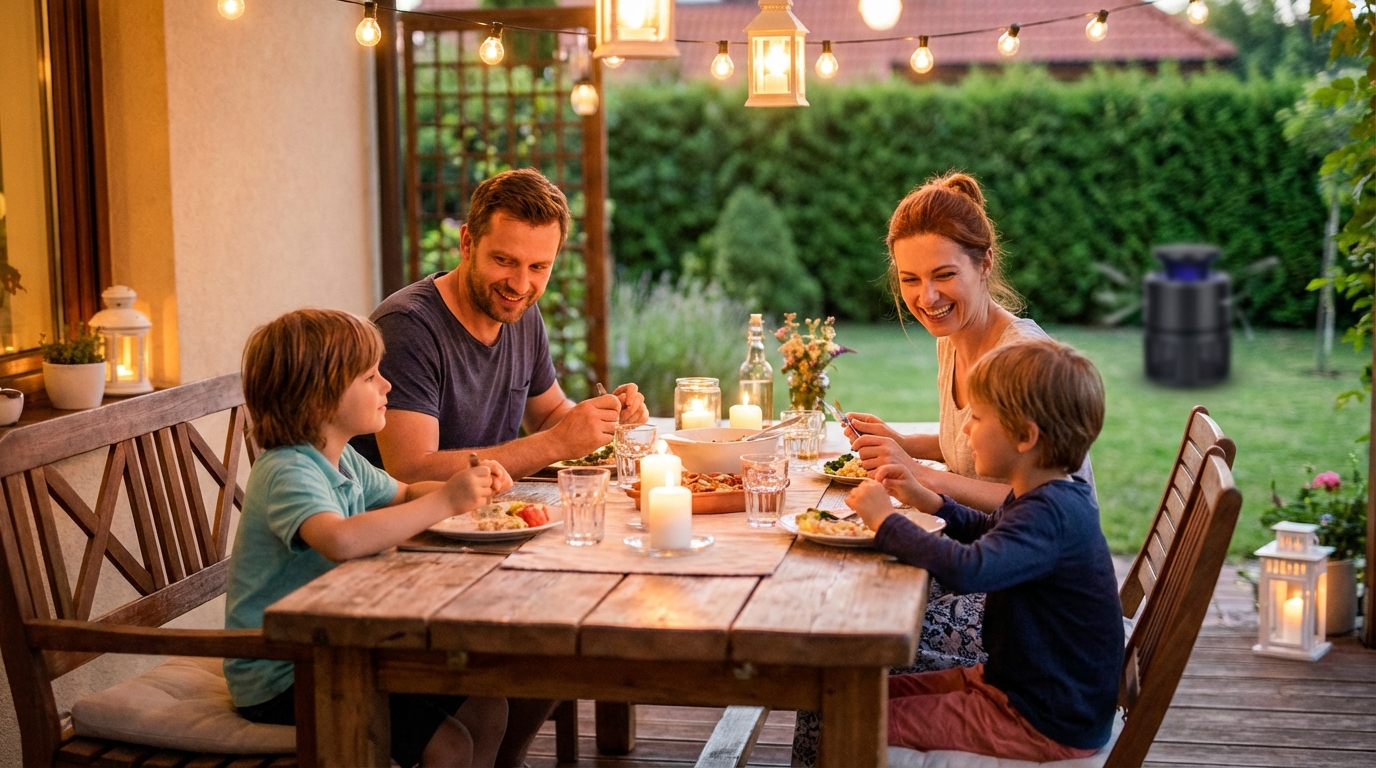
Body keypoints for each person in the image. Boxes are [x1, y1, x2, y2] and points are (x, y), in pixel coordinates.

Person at [226, 308, 513, 767]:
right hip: (284, 672)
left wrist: (472, 490)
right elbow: (338, 539)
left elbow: (403, 494)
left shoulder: (341, 458)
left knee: (488, 706)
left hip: (338, 647)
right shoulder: (287, 469)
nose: (387, 386)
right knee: (450, 746)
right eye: (371, 376)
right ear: (319, 398)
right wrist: (444, 503)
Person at [846, 339, 1122, 760]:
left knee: (855, 719)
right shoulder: (1046, 494)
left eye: (975, 418)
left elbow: (967, 569)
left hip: (1040, 717)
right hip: (1018, 686)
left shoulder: (1050, 515)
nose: (965, 430)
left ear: (1025, 436)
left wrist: (886, 521)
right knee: (858, 695)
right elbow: (987, 531)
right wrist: (930, 502)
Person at [351, 168, 648, 485]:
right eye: (504, 260)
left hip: (494, 518)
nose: (520, 285)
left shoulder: (521, 313)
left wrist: (604, 418)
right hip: (411, 530)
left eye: (537, 267)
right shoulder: (407, 327)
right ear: (467, 243)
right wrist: (555, 443)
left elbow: (548, 415)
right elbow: (411, 470)